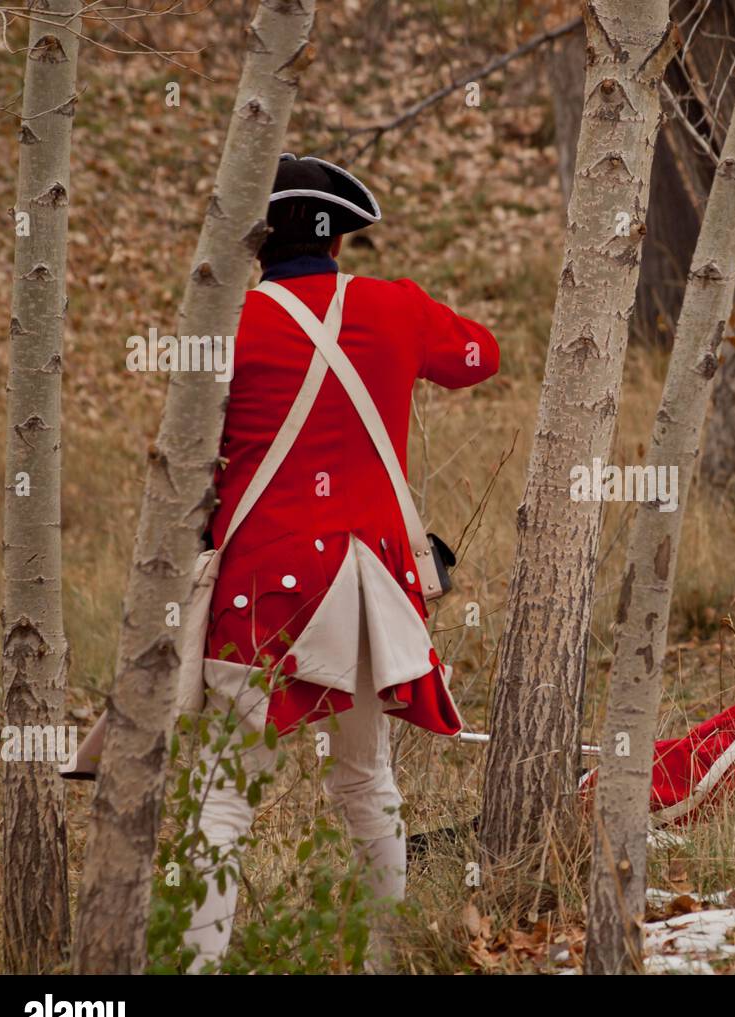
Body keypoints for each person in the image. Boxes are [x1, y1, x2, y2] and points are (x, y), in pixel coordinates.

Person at [181, 153, 499, 972]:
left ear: (255, 245)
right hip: (370, 581)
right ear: (343, 239)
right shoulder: (394, 308)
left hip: (264, 578)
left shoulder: (224, 324)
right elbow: (480, 357)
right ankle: (380, 958)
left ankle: (195, 966)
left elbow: (186, 458)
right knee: (366, 781)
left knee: (221, 793)